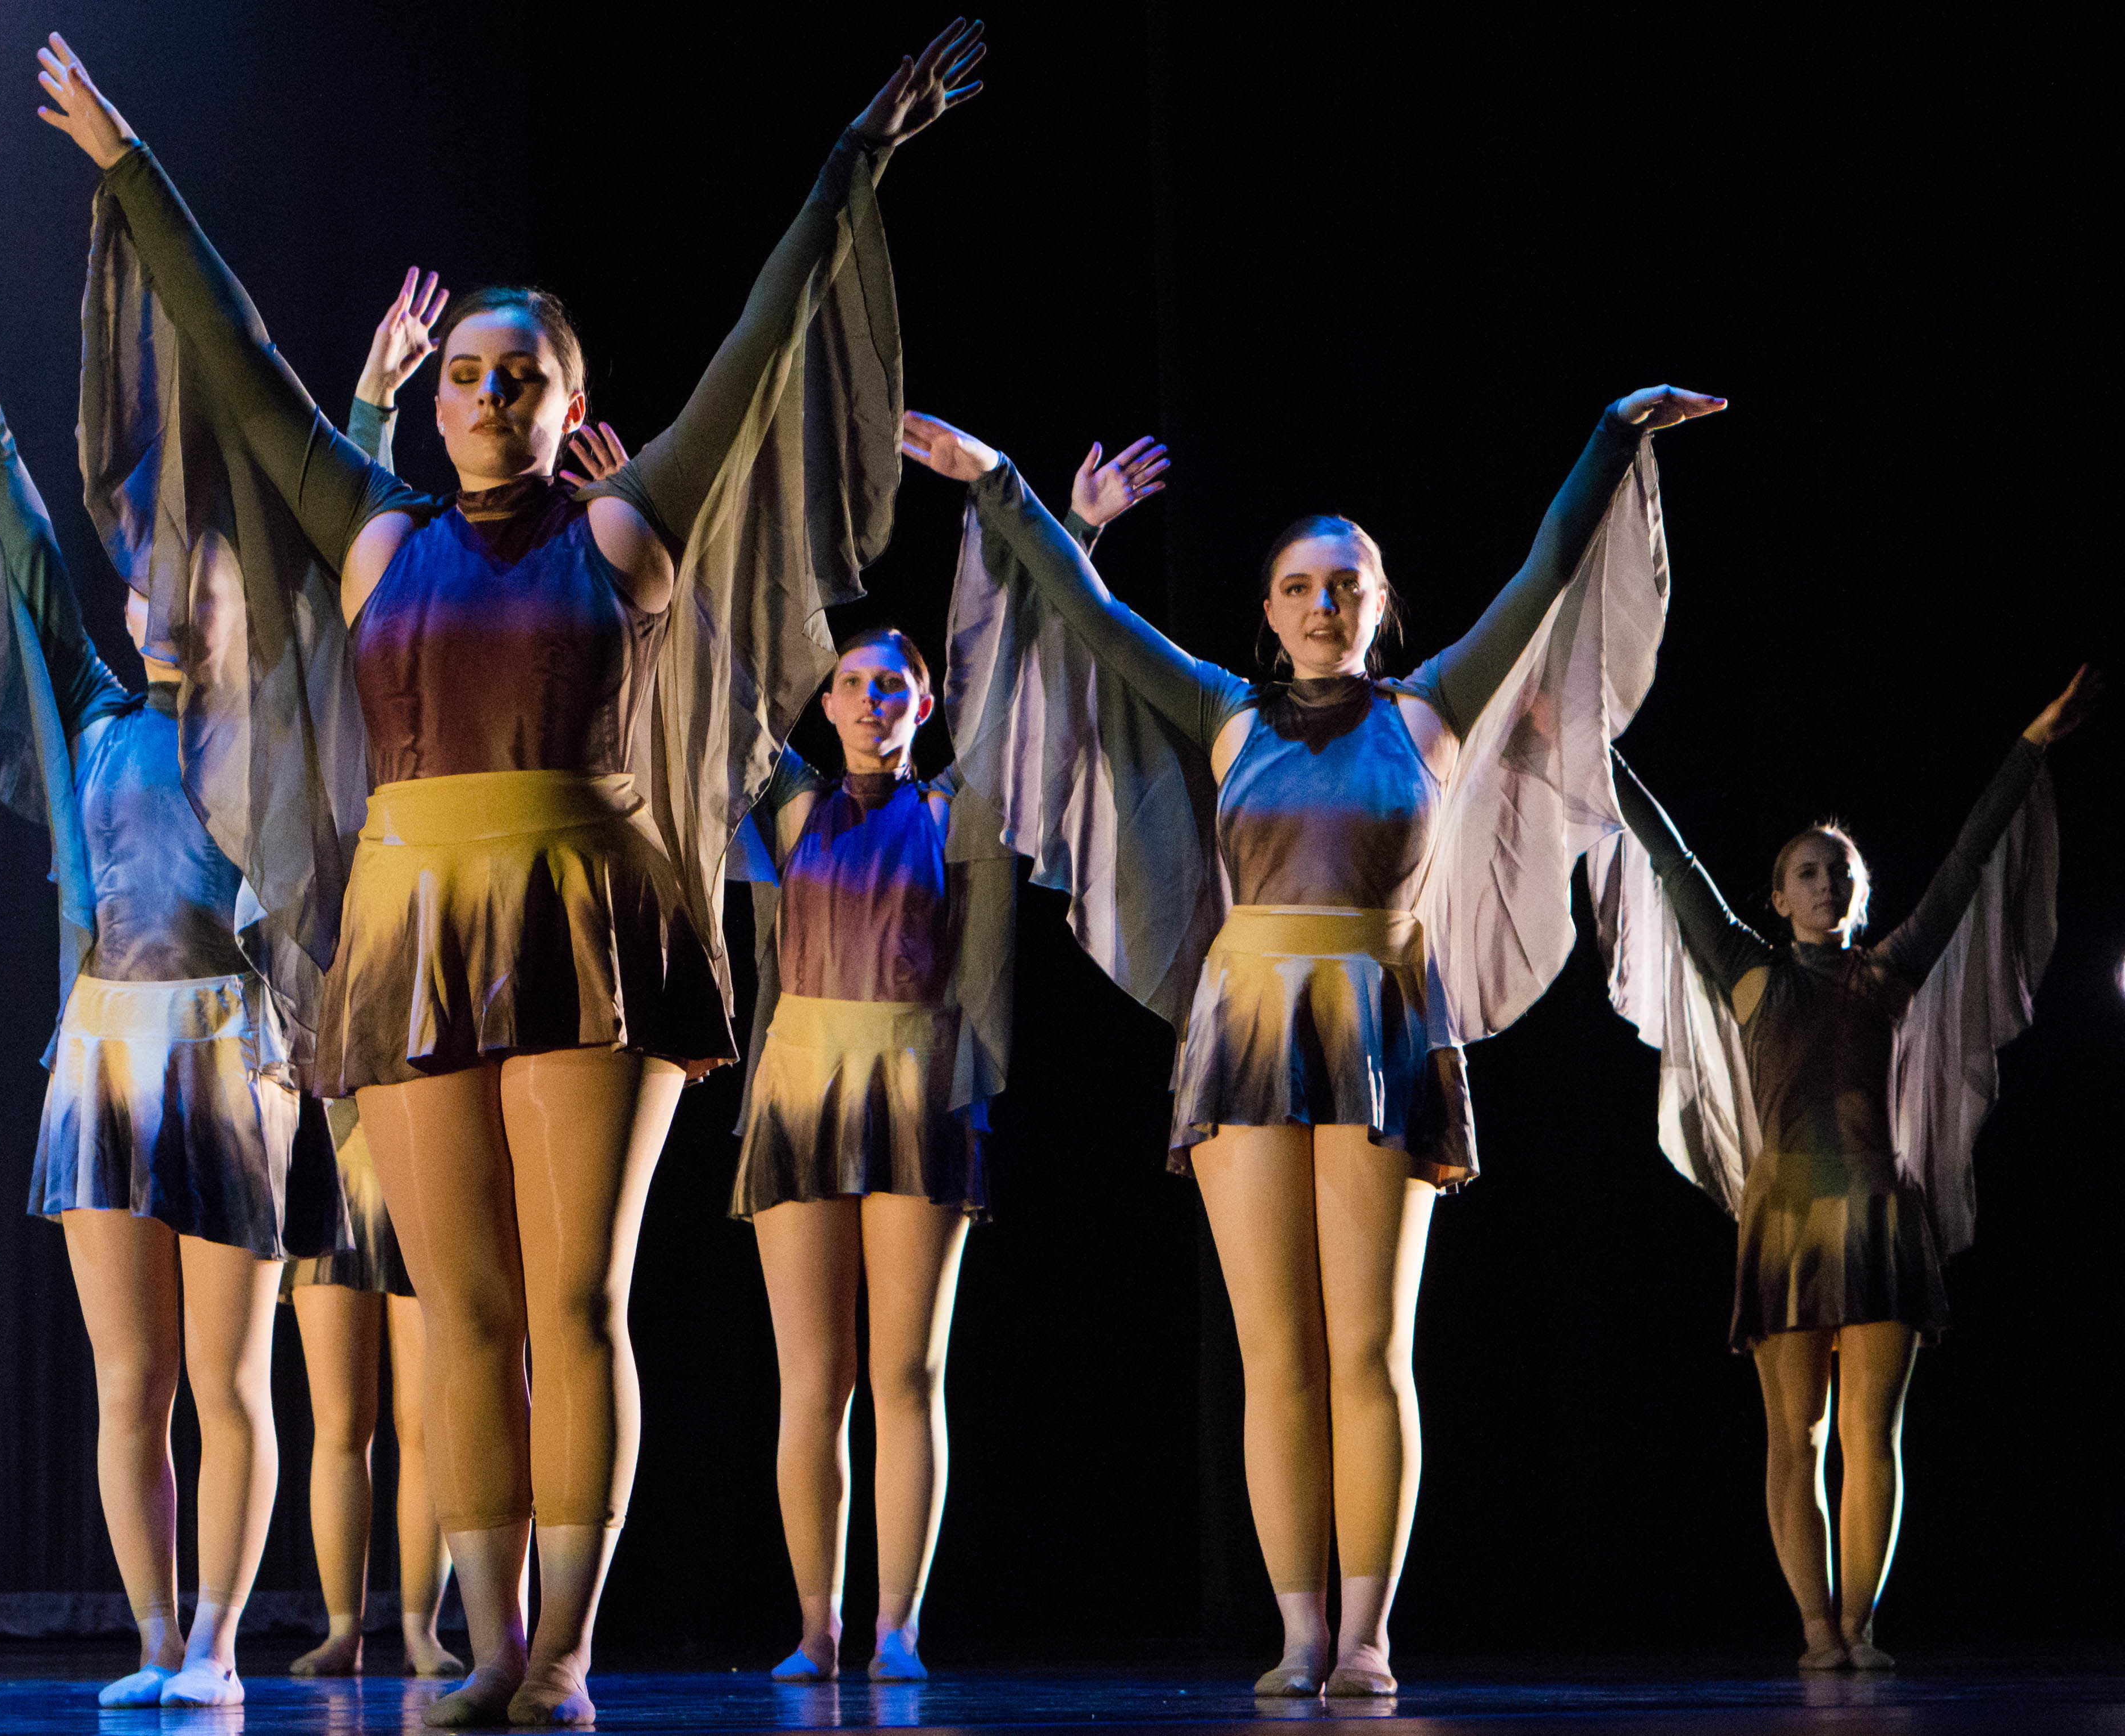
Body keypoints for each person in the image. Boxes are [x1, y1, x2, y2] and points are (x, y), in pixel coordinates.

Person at [35, 21, 979, 1724]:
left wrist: (852, 164)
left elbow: (760, 350)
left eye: (519, 376)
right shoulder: (375, 534)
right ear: (435, 400)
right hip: (410, 923)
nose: (485, 397)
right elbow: (238, 357)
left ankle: (565, 1656)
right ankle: (489, 1646)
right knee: (458, 1299)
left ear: (570, 404)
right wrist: (131, 169)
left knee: (575, 1294)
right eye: (465, 375)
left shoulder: (621, 530)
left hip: (587, 917)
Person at [914, 385, 1719, 1697]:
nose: (1322, 604)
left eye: (1345, 585)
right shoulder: (1223, 711)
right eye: (1298, 586)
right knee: (1275, 1354)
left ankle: (1365, 1635)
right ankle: (1295, 1634)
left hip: (1380, 1026)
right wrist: (1001, 484)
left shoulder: (1429, 709)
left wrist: (1612, 436)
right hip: (1244, 1030)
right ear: (1269, 608)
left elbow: (1544, 573)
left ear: (1379, 604)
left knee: (1367, 1350)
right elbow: (1093, 618)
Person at [0, 258, 335, 1709]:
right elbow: (31, 561)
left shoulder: (266, 733)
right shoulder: (97, 716)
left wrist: (368, 414)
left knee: (229, 1380)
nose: (158, 593)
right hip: (101, 1051)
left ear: (229, 601)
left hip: (227, 1053)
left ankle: (218, 1643)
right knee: (129, 1383)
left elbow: (329, 590)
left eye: (190, 575)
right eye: (145, 573)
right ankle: (154, 1640)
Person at [733, 454, 1159, 1683]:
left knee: (907, 1371)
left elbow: (1026, 686)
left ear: (923, 706)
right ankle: (815, 1626)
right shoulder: (788, 809)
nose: (873, 699)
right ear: (824, 704)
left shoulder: (958, 812)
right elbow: (711, 682)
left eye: (895, 685)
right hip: (798, 1095)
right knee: (811, 1379)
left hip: (919, 1093)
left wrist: (1074, 529)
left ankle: (896, 1624)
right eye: (854, 682)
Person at [1597, 668, 2093, 1670]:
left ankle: (1859, 1624)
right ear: (1779, 896)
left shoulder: (1889, 972)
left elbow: (1967, 860)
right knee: (1798, 1437)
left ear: (1860, 895)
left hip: (1878, 1216)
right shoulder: (1748, 971)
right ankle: (1816, 1629)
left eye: (1841, 872)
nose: (1827, 883)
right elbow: (1669, 855)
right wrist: (1593, 752)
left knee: (1873, 1434)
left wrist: (2031, 747)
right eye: (1808, 871)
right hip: (1786, 1222)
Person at [280, 273, 461, 1682]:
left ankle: (420, 1624)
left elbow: (385, 570)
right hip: (326, 1119)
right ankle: (346, 1626)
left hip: (419, 1096)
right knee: (338, 1412)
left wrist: (371, 405)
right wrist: (367, 405)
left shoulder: (422, 776)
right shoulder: (300, 796)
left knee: (426, 1402)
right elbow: (354, 553)